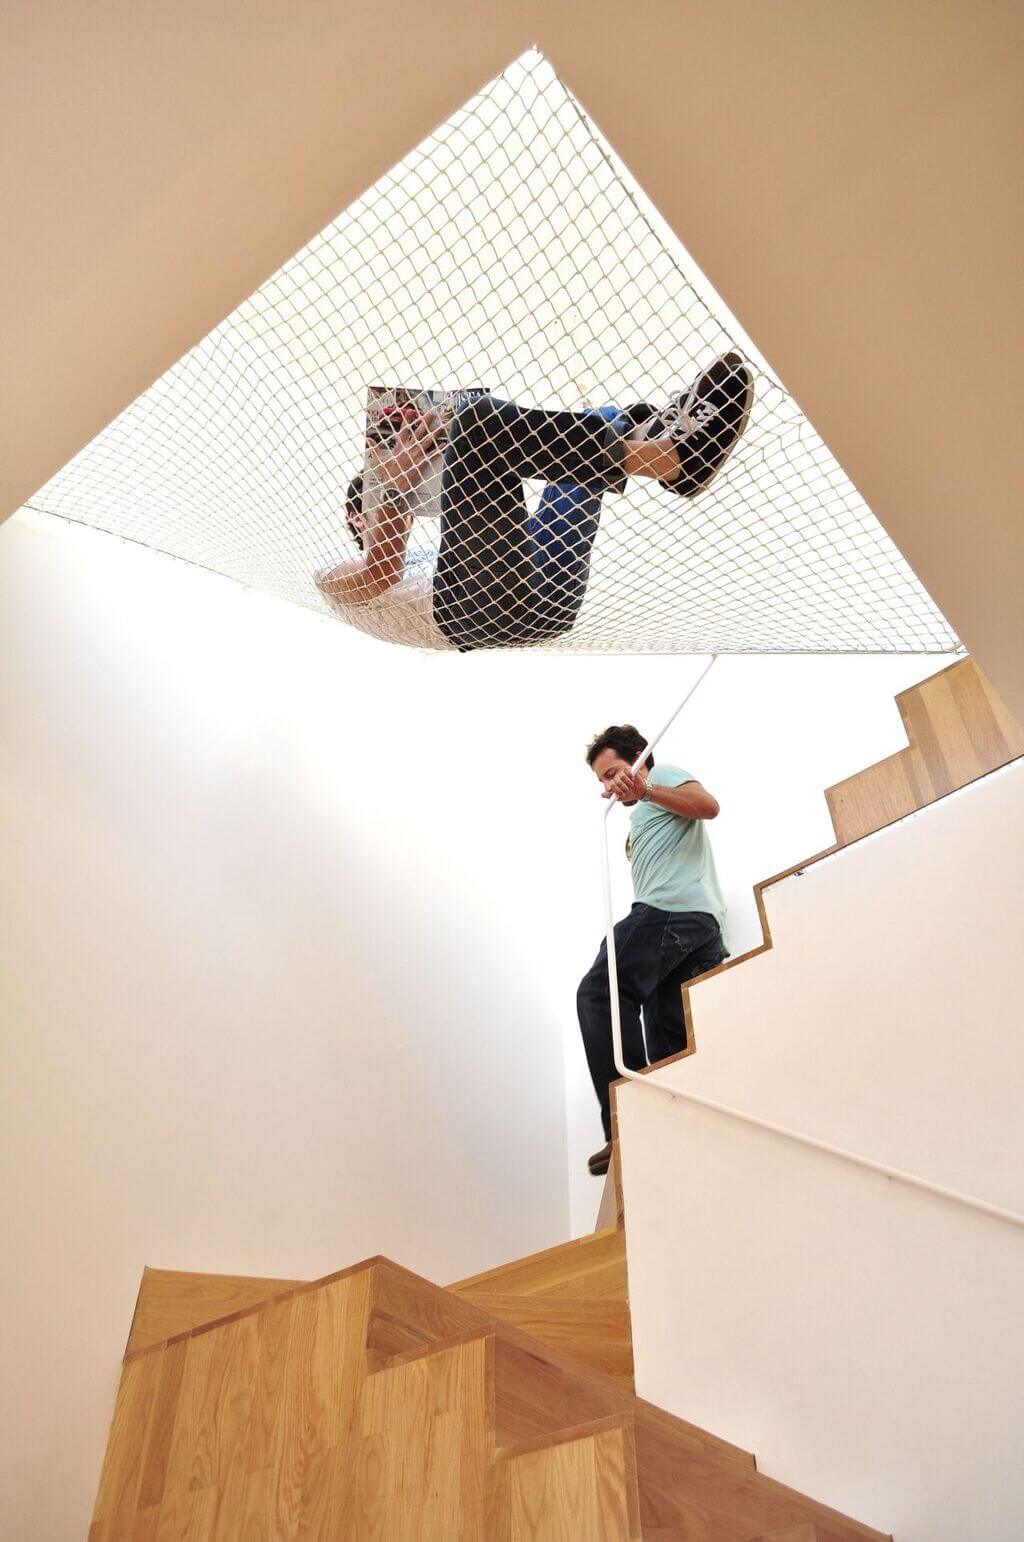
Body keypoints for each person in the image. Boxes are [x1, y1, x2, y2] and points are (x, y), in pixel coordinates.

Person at [316, 353, 754, 651]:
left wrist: (470, 468)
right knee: (480, 421)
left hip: (549, 593)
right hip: (471, 612)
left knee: (596, 421)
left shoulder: (430, 555)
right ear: (357, 516)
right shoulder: (328, 575)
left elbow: (493, 536)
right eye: (367, 506)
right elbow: (379, 573)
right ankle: (670, 459)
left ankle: (652, 437)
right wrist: (392, 489)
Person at [577, 724, 729, 1176]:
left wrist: (646, 788)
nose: (608, 787)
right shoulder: (639, 814)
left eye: (613, 773)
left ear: (641, 758)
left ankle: (627, 1118)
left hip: (674, 912)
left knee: (599, 991)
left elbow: (708, 807)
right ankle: (671, 1133)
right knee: (666, 1047)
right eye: (602, 781)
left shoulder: (662, 778)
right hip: (694, 930)